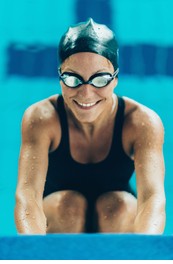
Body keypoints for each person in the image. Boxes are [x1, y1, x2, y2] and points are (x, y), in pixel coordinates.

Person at [15, 18, 166, 234]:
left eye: (100, 79)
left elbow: (152, 198)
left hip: (117, 222)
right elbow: (27, 196)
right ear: (59, 78)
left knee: (119, 205)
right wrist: (33, 257)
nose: (86, 93)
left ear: (115, 79)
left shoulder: (141, 122)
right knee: (68, 206)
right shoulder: (42, 118)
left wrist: (145, 259)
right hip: (59, 222)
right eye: (73, 79)